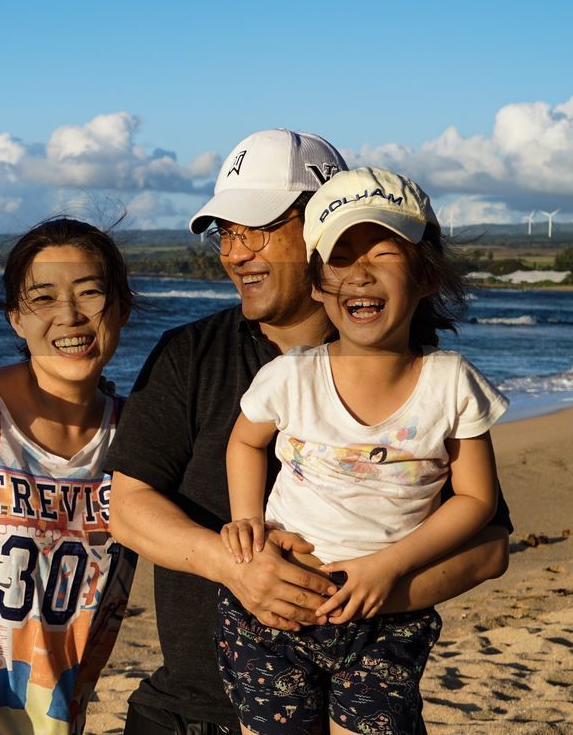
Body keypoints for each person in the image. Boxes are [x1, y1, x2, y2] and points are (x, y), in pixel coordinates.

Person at [107, 129, 512, 734]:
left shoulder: (418, 376)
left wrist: (352, 599)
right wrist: (235, 566)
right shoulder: (189, 353)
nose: (236, 252)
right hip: (190, 714)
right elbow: (128, 507)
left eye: (258, 228)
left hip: (359, 696)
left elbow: (488, 548)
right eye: (227, 233)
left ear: (315, 227)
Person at [215, 167, 505, 734]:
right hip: (276, 616)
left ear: (425, 276)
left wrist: (390, 566)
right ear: (318, 282)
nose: (361, 274)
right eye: (340, 258)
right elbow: (246, 442)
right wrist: (247, 520)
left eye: (384, 253)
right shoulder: (291, 376)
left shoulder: (450, 384)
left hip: (387, 621)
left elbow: (476, 499)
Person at [0, 217, 138, 735]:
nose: (70, 316)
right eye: (43, 299)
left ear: (121, 307)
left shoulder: (141, 438)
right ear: (16, 318)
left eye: (90, 293)